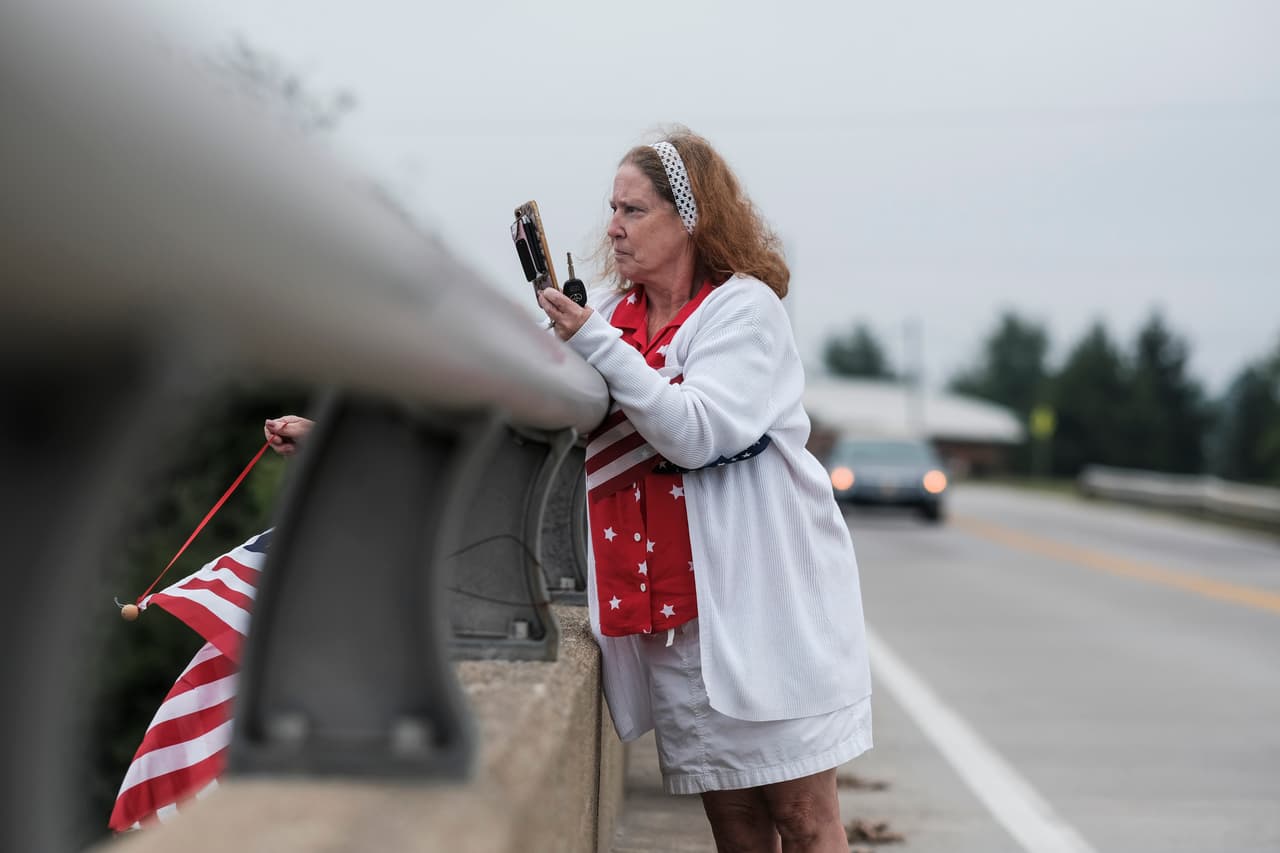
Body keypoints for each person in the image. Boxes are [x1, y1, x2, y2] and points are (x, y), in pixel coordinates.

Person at [538, 128, 872, 852]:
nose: (613, 228)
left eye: (634, 210)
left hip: (763, 606)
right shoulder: (614, 313)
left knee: (804, 818)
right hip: (678, 621)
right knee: (736, 824)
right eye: (612, 209)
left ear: (688, 218)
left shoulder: (744, 312)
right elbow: (506, 393)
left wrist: (593, 340)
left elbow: (692, 432)